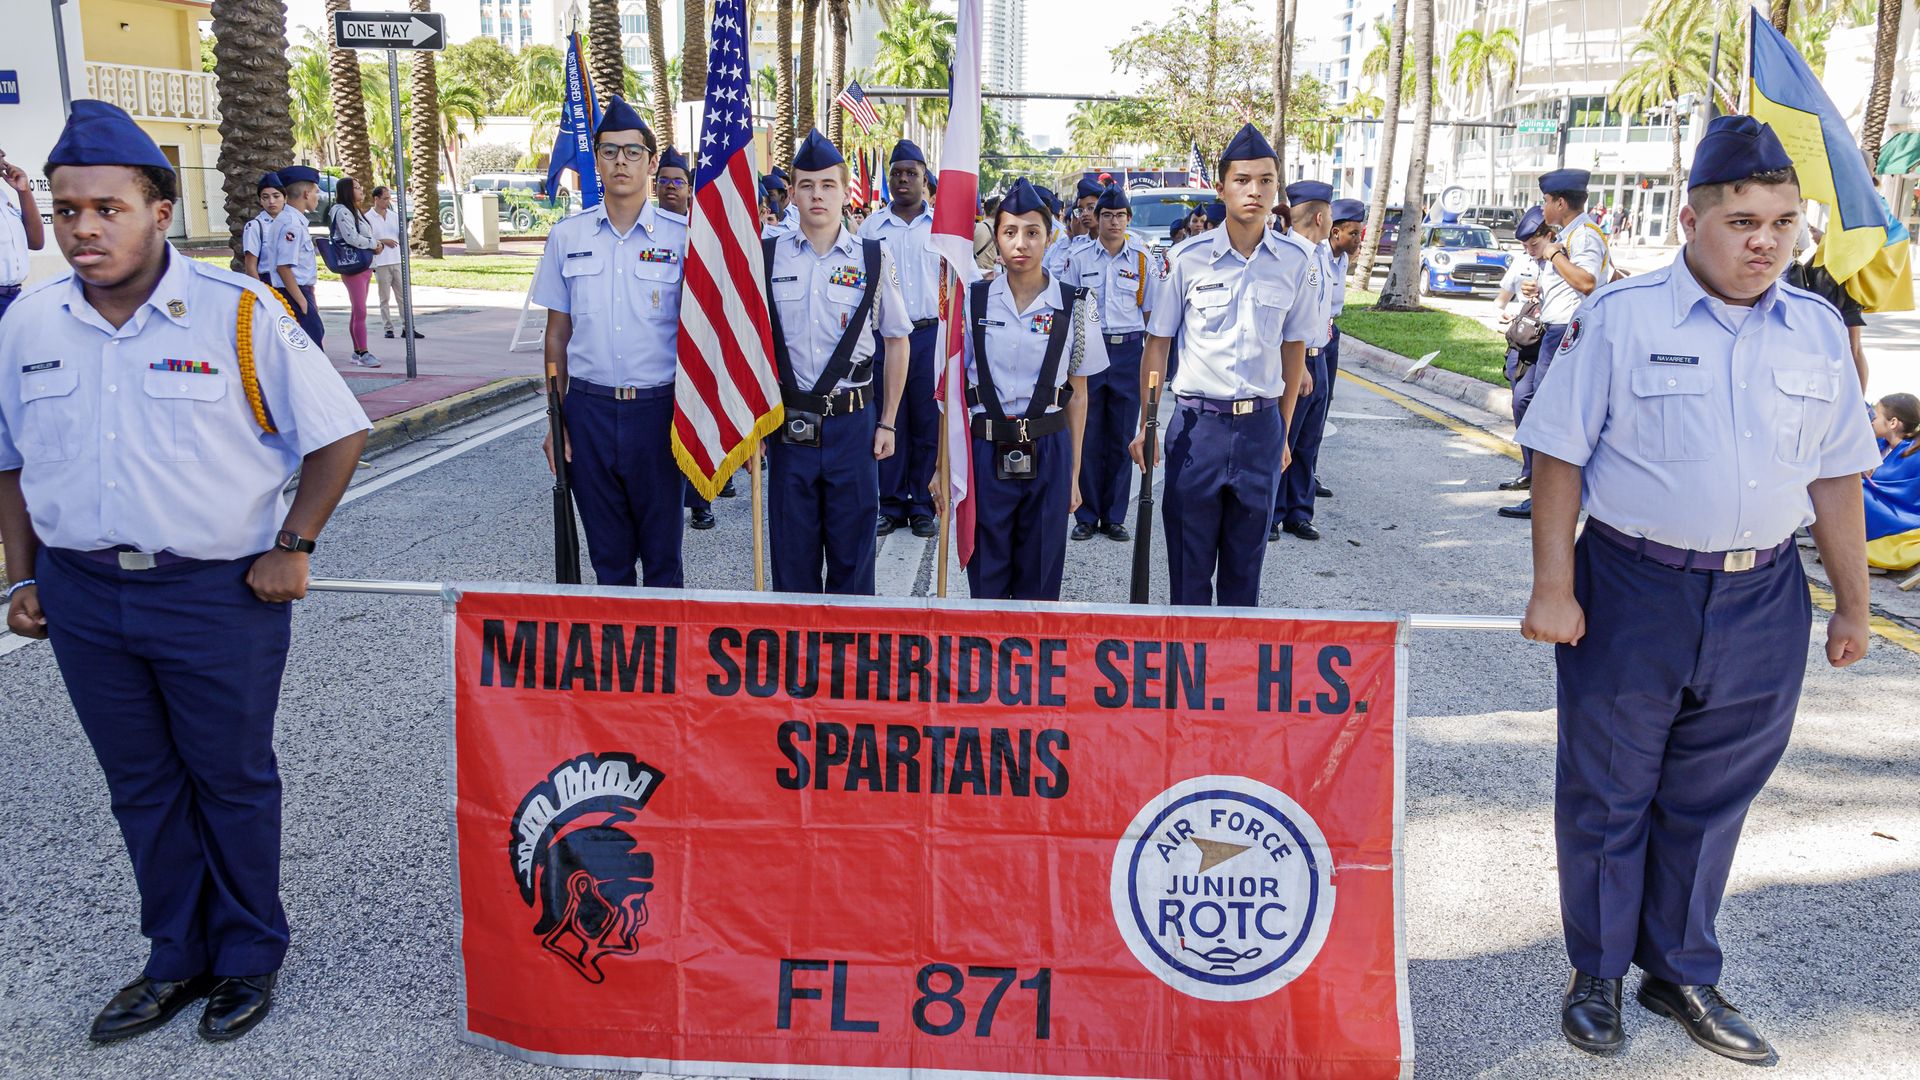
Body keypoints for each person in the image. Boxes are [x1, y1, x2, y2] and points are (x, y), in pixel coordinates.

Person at [0, 100, 369, 1043]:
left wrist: (294, 546)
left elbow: (338, 433)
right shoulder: (28, 323)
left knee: (230, 778)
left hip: (217, 593)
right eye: (69, 207)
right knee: (140, 784)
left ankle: (247, 953)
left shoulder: (237, 312)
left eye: (107, 209)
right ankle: (175, 954)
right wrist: (22, 575)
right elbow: (9, 457)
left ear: (158, 210)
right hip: (83, 592)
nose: (85, 228)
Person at [1518, 115, 1879, 1064]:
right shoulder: (1622, 315)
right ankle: (1595, 970)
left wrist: (1853, 601)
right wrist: (1553, 585)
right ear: (1691, 220)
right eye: (1742, 221)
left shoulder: (1816, 332)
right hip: (1635, 585)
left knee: (1714, 793)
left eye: (1783, 222)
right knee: (1608, 789)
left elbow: (1837, 476)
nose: (1765, 241)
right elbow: (1557, 451)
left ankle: (1678, 970)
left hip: (1764, 595)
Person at [1129, 124, 1316, 607]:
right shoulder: (1187, 260)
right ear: (1221, 188)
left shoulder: (1296, 262)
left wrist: (1284, 431)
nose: (1254, 190)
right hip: (1197, 428)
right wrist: (1147, 424)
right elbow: (1158, 345)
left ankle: (1233, 681)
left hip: (1260, 429)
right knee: (1188, 578)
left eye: (1265, 181)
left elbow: (1294, 349)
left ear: (1277, 188)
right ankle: (1184, 682)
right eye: (1242, 180)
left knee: (1244, 577)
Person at [530, 97, 689, 587]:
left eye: (633, 152)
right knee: (609, 561)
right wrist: (557, 421)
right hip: (590, 412)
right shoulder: (567, 236)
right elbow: (557, 333)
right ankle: (620, 665)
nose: (621, 161)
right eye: (610, 151)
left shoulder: (683, 238)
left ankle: (666, 663)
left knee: (663, 560)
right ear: (595, 159)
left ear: (651, 163)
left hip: (659, 413)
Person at [764, 129, 910, 594]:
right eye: (806, 185)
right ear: (791, 193)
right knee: (793, 562)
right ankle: (797, 664)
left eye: (827, 184)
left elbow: (898, 339)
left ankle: (850, 666)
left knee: (853, 560)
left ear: (845, 190)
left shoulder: (872, 256)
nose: (817, 195)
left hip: (853, 426)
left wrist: (887, 422)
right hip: (789, 428)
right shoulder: (767, 257)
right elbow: (754, 344)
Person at [956, 177, 1108, 599]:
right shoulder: (973, 302)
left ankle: (1031, 664)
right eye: (1009, 232)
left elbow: (1078, 396)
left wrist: (1074, 475)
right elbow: (950, 391)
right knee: (986, 576)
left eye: (1032, 232)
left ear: (1049, 235)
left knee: (1040, 580)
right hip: (987, 449)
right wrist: (943, 466)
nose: (1020, 243)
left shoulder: (1076, 303)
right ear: (996, 237)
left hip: (1049, 448)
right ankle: (987, 662)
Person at [1501, 167, 1611, 519]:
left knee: (1550, 417)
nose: (1544, 206)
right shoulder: (1570, 234)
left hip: (1568, 333)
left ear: (1560, 202)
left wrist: (1554, 256)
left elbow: (1588, 282)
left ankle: (1546, 498)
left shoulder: (1584, 236)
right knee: (1527, 402)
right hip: (1553, 333)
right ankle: (1536, 482)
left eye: (1546, 200)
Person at [861, 139, 944, 539]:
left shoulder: (943, 226)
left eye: (911, 172)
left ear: (925, 178)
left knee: (927, 423)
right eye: (897, 173)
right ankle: (891, 503)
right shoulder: (871, 228)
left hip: (929, 335)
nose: (903, 179)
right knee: (889, 418)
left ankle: (922, 505)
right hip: (885, 338)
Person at [1065, 184, 1150, 543]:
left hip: (1129, 351)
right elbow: (1067, 310)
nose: (1113, 221)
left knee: (1120, 436)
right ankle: (1085, 514)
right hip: (1089, 350)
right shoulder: (1079, 259)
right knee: (1085, 433)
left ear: (1128, 219)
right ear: (1095, 219)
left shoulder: (1142, 259)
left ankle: (1114, 516)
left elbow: (1150, 313)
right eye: (1106, 215)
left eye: (1119, 215)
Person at [1271, 180, 1337, 542]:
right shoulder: (1288, 255)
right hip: (1299, 361)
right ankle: (1273, 515)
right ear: (1319, 215)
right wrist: (1298, 369)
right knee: (1285, 438)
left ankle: (1299, 512)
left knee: (1308, 442)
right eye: (1330, 214)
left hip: (1319, 356)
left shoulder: (1320, 254)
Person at [1494, 206, 1553, 494]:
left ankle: (1540, 477)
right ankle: (1529, 469)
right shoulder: (1523, 263)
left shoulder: (1561, 260)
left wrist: (1543, 291)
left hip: (1551, 340)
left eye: (1534, 244)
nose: (1530, 250)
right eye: (1525, 245)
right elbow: (1500, 300)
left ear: (1549, 236)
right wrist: (1503, 313)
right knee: (1520, 401)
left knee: (1530, 400)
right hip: (1525, 340)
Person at [1320, 197, 1367, 500]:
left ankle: (1307, 472)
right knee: (1300, 412)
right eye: (1354, 233)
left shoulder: (1343, 258)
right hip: (1312, 333)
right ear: (1336, 232)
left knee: (1322, 406)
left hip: (1331, 331)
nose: (1358, 239)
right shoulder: (1317, 256)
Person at [266, 165, 325, 348]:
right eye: (316, 191)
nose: (318, 196)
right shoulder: (292, 224)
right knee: (312, 345)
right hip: (294, 291)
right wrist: (301, 302)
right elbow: (283, 266)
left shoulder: (289, 219)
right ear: (306, 194)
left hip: (296, 291)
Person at [328, 177, 381, 367]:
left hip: (364, 265)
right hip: (354, 265)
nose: (361, 190)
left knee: (358, 311)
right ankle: (364, 353)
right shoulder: (342, 211)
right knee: (360, 310)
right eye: (357, 188)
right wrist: (375, 244)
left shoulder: (353, 211)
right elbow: (351, 237)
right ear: (347, 191)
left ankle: (358, 351)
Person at [1865, 393, 1920, 571]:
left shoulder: (1912, 453)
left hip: (1904, 517)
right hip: (1888, 511)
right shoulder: (1882, 446)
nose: (1872, 421)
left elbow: (1902, 493)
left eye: (1876, 416)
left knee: (1855, 490)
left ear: (1893, 423)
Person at [365, 186, 412, 339]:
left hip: (396, 260)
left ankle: (407, 327)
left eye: (388, 198)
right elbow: (367, 240)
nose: (387, 201)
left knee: (402, 296)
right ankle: (388, 328)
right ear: (376, 199)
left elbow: (402, 235)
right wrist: (382, 241)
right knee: (384, 297)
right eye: (384, 198)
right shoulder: (368, 218)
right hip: (381, 262)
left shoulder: (394, 216)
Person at [240, 172, 283, 285]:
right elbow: (250, 266)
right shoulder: (255, 226)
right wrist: (261, 292)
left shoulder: (292, 223)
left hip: (291, 282)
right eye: (265, 197)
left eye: (276, 196)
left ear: (285, 198)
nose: (271, 201)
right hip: (267, 281)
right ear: (260, 200)